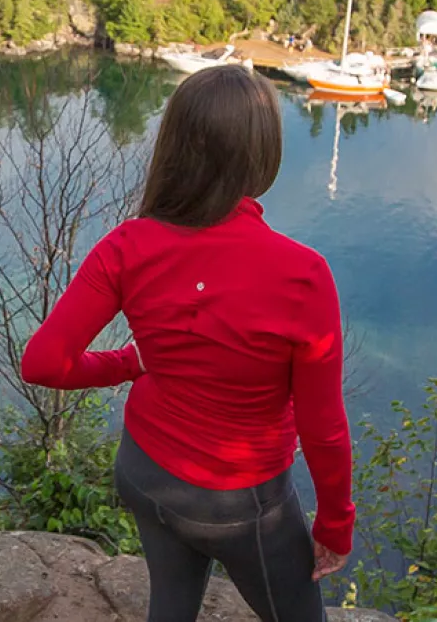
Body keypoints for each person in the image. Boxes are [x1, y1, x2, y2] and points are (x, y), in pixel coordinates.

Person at [21, 66, 354, 622]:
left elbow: (43, 363)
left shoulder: (127, 245)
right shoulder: (303, 275)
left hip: (146, 473)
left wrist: (128, 363)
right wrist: (334, 525)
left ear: (175, 144)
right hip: (245, 504)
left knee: (171, 606)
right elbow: (325, 427)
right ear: (261, 153)